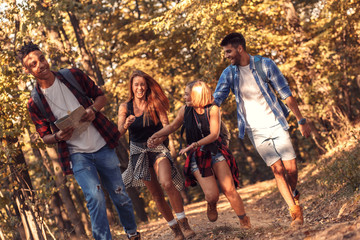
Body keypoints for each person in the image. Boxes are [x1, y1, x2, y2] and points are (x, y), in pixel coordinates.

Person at [20, 42, 140, 240]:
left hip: (102, 146)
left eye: (41, 58)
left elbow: (101, 97)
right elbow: (44, 137)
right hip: (77, 155)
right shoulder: (35, 102)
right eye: (33, 64)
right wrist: (58, 136)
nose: (40, 64)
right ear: (27, 71)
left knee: (121, 197)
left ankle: (132, 233)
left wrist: (92, 110)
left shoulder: (72, 75)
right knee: (95, 198)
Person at [213, 32, 312, 227]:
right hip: (255, 130)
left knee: (291, 169)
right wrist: (199, 106)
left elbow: (285, 93)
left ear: (240, 48)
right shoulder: (229, 73)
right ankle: (295, 212)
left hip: (276, 122)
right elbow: (217, 99)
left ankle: (293, 193)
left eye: (228, 51)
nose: (226, 56)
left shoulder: (265, 64)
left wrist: (301, 120)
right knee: (277, 170)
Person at [148, 81, 251, 229]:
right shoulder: (185, 110)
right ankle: (211, 203)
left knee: (229, 190)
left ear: (197, 95)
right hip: (198, 156)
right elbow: (172, 126)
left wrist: (195, 144)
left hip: (215, 150)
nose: (184, 96)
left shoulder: (213, 109)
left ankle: (244, 221)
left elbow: (214, 134)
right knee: (212, 195)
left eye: (186, 94)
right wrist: (155, 135)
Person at [117, 70, 196, 240]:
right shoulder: (125, 107)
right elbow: (118, 132)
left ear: (146, 86)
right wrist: (126, 124)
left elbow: (167, 127)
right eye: (136, 84)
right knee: (156, 195)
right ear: (131, 86)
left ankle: (184, 223)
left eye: (142, 84)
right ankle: (175, 229)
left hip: (158, 148)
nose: (140, 88)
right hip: (138, 153)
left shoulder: (155, 103)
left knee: (167, 183)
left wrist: (159, 137)